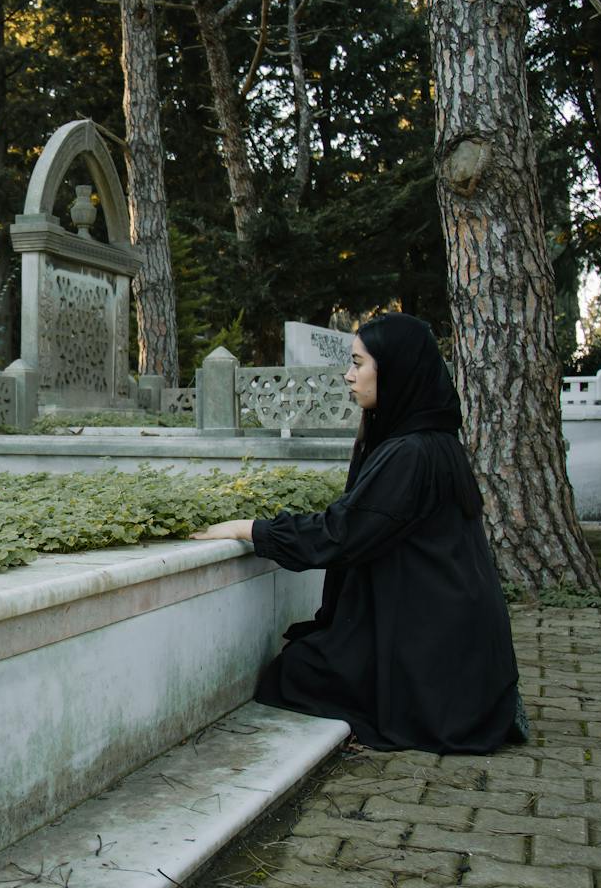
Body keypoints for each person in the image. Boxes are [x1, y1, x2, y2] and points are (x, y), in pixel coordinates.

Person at [193, 312, 527, 753]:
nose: (349, 376)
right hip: (455, 636)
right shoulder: (434, 440)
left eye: (358, 363)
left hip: (434, 647)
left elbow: (342, 532)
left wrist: (249, 529)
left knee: (291, 675)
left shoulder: (411, 452)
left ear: (394, 370)